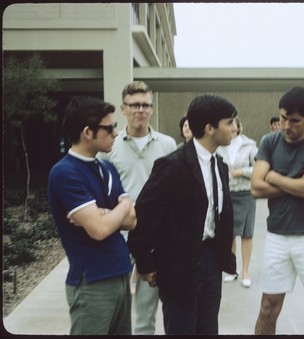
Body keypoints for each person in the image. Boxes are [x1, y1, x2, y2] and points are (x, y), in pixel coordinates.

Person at [127, 94, 238, 334]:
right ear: (209, 128)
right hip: (178, 264)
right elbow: (143, 216)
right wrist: (146, 263)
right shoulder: (172, 165)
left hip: (210, 261)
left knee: (208, 329)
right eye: (229, 122)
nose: (234, 128)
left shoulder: (220, 166)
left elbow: (221, 216)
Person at [47, 95, 137, 335]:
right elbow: (99, 230)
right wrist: (123, 207)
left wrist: (107, 212)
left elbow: (133, 219)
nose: (116, 133)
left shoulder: (106, 168)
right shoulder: (65, 172)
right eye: (110, 128)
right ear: (88, 132)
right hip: (92, 282)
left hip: (120, 274)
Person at [252, 86, 304, 335]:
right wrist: (298, 177)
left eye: (295, 121)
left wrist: (274, 177)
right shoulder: (269, 141)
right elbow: (256, 188)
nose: (287, 125)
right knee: (267, 308)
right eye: (282, 118)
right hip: (277, 235)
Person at [97, 81, 177, 335]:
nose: (140, 110)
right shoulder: (110, 147)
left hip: (153, 239)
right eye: (135, 105)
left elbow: (175, 192)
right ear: (123, 109)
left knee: (145, 315)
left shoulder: (167, 145)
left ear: (152, 109)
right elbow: (99, 191)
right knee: (112, 310)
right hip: (116, 238)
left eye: (145, 105)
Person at [217, 117, 258, 287]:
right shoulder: (220, 145)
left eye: (233, 123)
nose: (231, 127)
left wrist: (242, 171)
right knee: (229, 234)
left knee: (247, 234)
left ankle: (246, 271)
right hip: (226, 194)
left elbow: (259, 167)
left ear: (238, 125)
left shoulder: (249, 144)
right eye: (227, 124)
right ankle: (231, 269)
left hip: (246, 193)